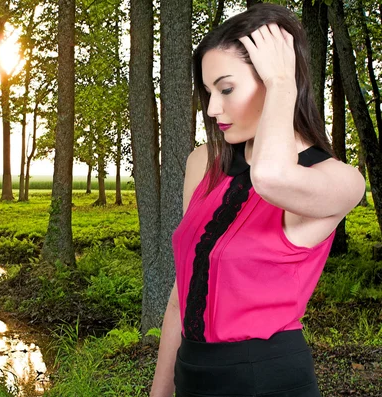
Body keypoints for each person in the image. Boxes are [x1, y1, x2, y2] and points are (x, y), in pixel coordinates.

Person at [150, 4, 365, 397]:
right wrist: (160, 392)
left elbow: (270, 178)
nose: (213, 109)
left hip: (265, 380)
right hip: (191, 372)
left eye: (226, 89)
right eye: (209, 91)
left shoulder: (339, 180)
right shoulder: (203, 164)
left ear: (274, 81)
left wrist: (284, 82)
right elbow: (181, 295)